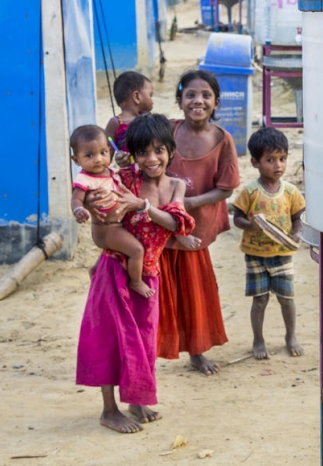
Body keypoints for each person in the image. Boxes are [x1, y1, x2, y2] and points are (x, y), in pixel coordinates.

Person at [76, 114, 194, 433]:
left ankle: (137, 400)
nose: (151, 159)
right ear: (133, 155)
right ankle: (109, 409)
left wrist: (141, 206)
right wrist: (93, 205)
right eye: (143, 152)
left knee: (143, 340)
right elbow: (96, 202)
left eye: (158, 150)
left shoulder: (176, 185)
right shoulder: (122, 179)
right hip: (114, 269)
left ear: (170, 150)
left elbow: (176, 224)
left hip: (148, 274)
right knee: (109, 339)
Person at [160, 70, 240, 375]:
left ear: (216, 102)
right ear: (179, 101)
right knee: (162, 289)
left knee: (194, 292)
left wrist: (189, 203)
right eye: (190, 95)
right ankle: (155, 347)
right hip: (162, 226)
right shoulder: (166, 131)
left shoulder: (222, 139)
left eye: (206, 95)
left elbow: (227, 187)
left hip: (196, 230)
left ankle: (196, 351)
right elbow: (140, 154)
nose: (198, 100)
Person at [231, 127, 306, 359]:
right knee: (260, 299)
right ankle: (258, 340)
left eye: (282, 159)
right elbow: (238, 218)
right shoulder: (250, 192)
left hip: (282, 253)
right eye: (270, 160)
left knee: (286, 298)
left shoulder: (291, 192)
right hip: (255, 254)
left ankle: (290, 336)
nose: (278, 166)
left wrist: (296, 233)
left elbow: (297, 219)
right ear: (255, 162)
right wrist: (250, 225)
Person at [69, 125, 150, 298]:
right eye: (89, 155)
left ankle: (96, 269)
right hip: (106, 229)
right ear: (76, 160)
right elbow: (76, 198)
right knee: (137, 250)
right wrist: (78, 209)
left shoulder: (110, 172)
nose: (98, 159)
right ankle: (135, 282)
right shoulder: (84, 179)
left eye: (103, 152)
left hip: (116, 225)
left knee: (118, 250)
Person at [105, 71, 155, 167]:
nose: (152, 101)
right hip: (128, 178)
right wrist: (120, 159)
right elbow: (105, 157)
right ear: (137, 96)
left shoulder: (151, 120)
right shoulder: (116, 123)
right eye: (150, 95)